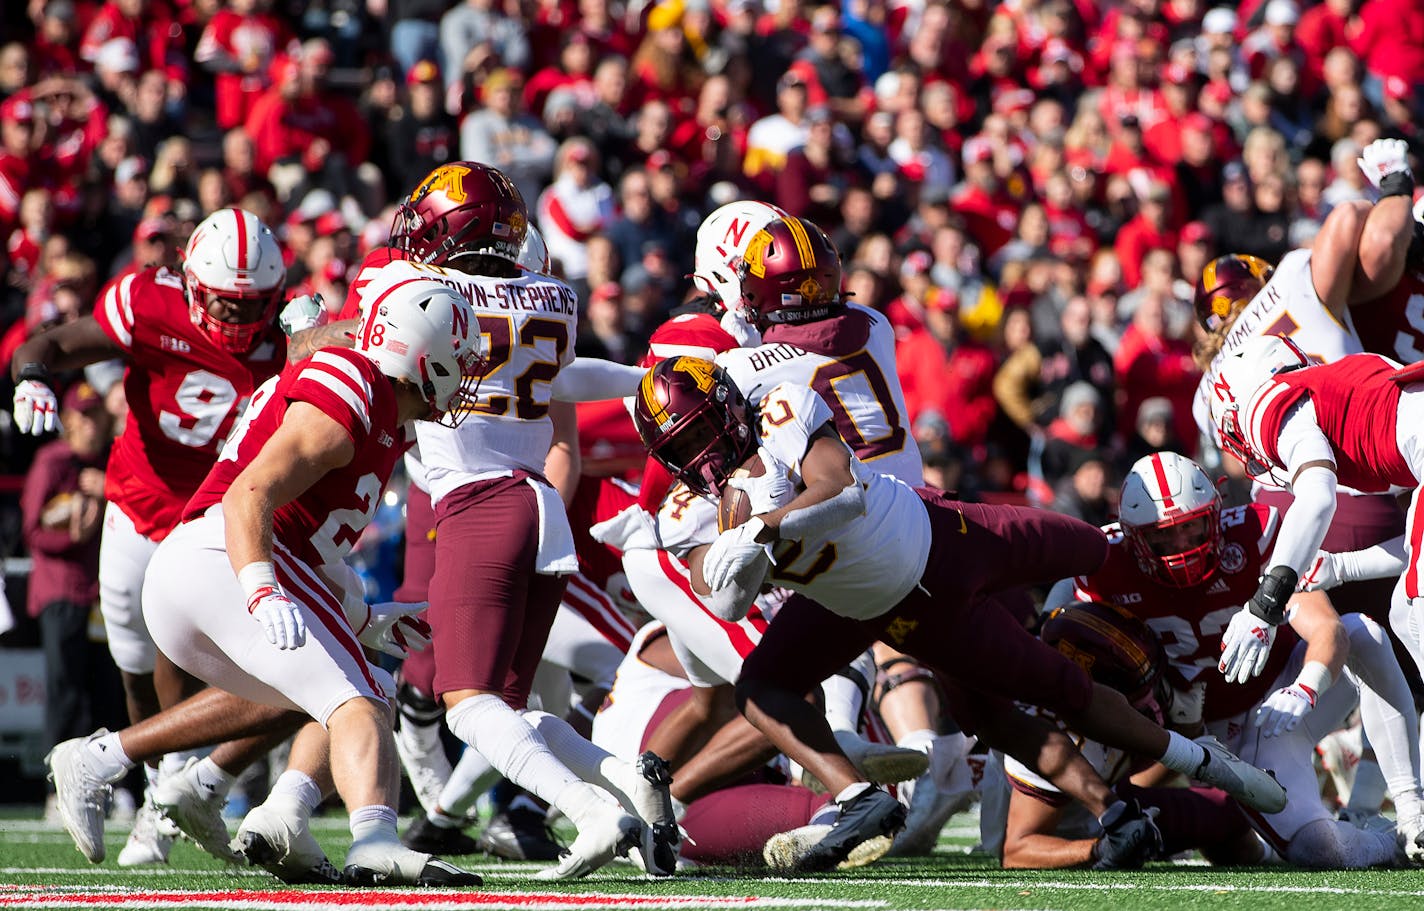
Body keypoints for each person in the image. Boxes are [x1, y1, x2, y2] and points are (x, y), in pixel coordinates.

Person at [631, 354, 1286, 872]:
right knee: (770, 689)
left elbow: (843, 492)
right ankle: (858, 798)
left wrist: (761, 529)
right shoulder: (688, 512)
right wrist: (736, 550)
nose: (704, 457)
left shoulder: (779, 410)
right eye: (684, 449)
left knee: (1092, 542)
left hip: (943, 540)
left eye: (705, 434)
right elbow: (725, 600)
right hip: (882, 610)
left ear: (729, 407)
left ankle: (1180, 760)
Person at [47, 278, 486, 885]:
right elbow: (249, 494)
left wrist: (363, 617)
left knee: (326, 686)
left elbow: (308, 538)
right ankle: (375, 840)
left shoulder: (382, 410)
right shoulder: (357, 384)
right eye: (459, 359)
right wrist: (259, 587)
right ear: (421, 355)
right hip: (222, 555)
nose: (466, 376)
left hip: (218, 565)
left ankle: (111, 762)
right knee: (360, 698)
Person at [340, 161, 674, 880]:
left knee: (465, 705)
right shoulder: (553, 294)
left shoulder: (417, 286)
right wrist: (643, 377)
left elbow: (364, 326)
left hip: (476, 501)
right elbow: (563, 378)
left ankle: (590, 812)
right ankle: (625, 780)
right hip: (539, 504)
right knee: (509, 710)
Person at [12, 207, 288, 866]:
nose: (237, 319)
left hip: (217, 515)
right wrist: (31, 375)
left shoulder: (291, 338)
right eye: (224, 302)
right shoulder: (146, 299)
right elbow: (49, 342)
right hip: (137, 507)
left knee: (223, 663)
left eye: (252, 304)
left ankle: (178, 791)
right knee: (135, 662)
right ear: (191, 284)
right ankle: (157, 783)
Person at [1050, 451, 1422, 866]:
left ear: (1216, 513)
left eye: (1190, 529)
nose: (1180, 548)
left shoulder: (1255, 533)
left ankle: (1412, 809)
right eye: (1162, 536)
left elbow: (1327, 629)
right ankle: (1391, 846)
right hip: (1220, 738)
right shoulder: (1104, 565)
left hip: (1287, 687)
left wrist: (1306, 685)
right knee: (1317, 850)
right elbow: (1067, 644)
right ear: (1133, 536)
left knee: (1361, 631)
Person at [989, 601, 1261, 870]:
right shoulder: (1046, 731)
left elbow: (1137, 770)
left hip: (1107, 799)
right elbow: (1016, 851)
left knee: (1227, 815)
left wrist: (1187, 732)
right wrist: (1101, 848)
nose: (1152, 702)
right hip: (1060, 831)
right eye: (1137, 697)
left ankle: (1267, 857)